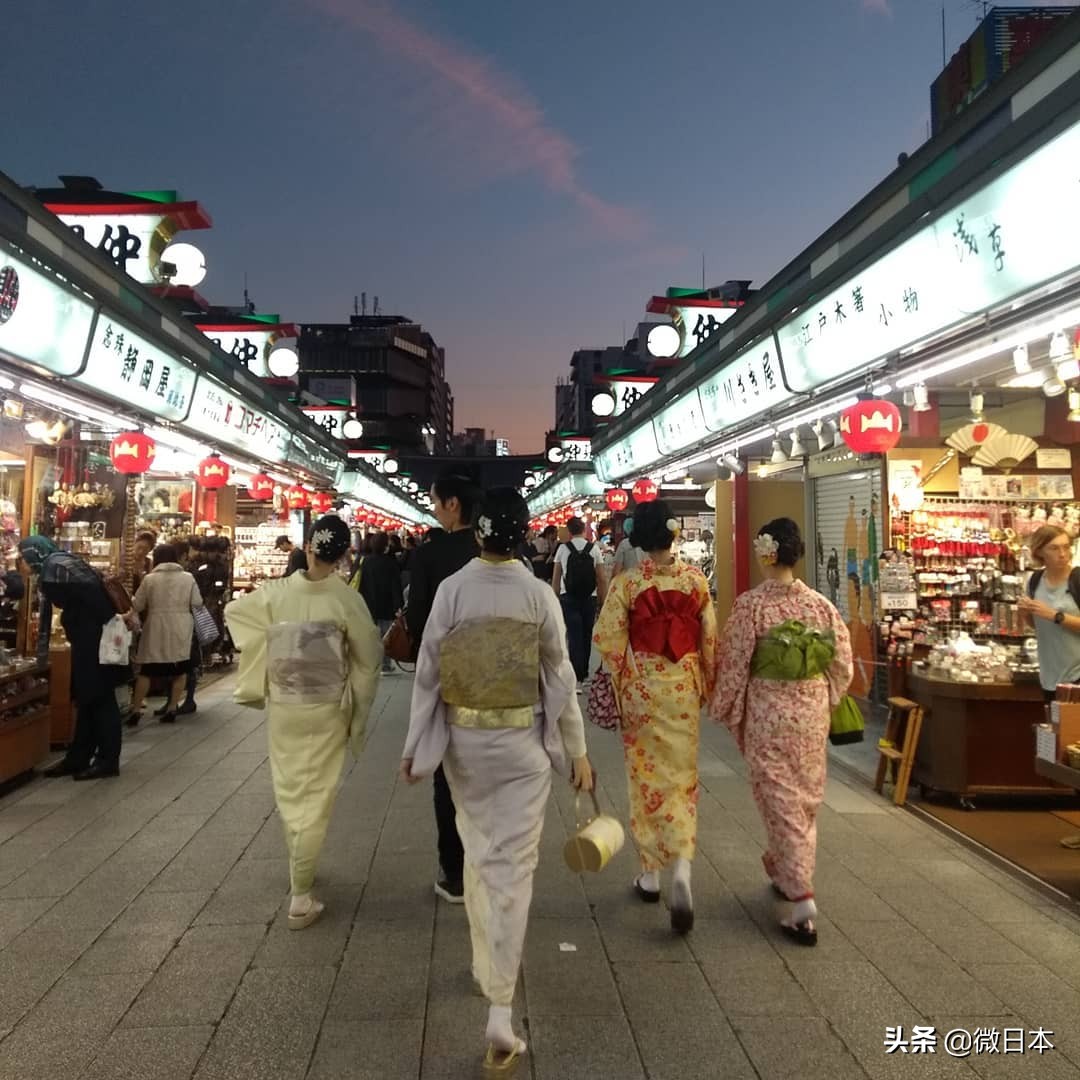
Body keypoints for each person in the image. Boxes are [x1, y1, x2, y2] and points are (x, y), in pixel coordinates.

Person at [401, 487, 593, 1074]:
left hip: (465, 746)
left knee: (479, 851)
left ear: (479, 533)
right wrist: (577, 751)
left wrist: (417, 746)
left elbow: (429, 672)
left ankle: (488, 966)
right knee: (513, 867)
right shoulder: (537, 594)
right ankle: (500, 1008)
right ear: (523, 535)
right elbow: (559, 676)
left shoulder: (452, 590)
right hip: (521, 745)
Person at [225, 515, 383, 930]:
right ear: (344, 554)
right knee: (317, 794)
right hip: (327, 706)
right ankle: (301, 892)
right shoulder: (347, 600)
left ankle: (302, 864)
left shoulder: (275, 593)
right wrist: (359, 713)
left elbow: (235, 612)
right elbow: (368, 661)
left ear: (309, 547)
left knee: (291, 788)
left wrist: (269, 650)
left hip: (285, 705)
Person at [711, 518, 852, 946]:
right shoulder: (820, 606)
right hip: (810, 711)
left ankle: (802, 898)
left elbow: (735, 663)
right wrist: (825, 698)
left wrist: (723, 706)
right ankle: (781, 866)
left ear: (766, 553)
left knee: (779, 799)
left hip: (768, 712)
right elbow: (842, 663)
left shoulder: (752, 606)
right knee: (803, 799)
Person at [592, 500, 718, 933]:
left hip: (643, 690)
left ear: (641, 538)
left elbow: (608, 639)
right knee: (682, 778)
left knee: (645, 778)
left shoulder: (628, 583)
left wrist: (623, 680)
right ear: (673, 533)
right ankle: (681, 867)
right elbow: (709, 639)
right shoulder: (695, 580)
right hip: (682, 688)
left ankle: (650, 874)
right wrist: (706, 682)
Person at [406, 471, 482, 904]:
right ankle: (487, 863)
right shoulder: (493, 553)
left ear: (453, 504)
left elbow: (418, 619)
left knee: (446, 774)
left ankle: (454, 873)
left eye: (435, 501)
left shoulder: (430, 555)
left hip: (447, 678)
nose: (434, 509)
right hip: (497, 682)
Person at [20, 537, 128, 781]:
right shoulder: (63, 562)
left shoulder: (52, 571)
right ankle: (78, 757)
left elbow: (90, 602)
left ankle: (107, 761)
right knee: (88, 700)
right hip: (94, 639)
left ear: (34, 554)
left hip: (94, 643)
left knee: (100, 700)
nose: (23, 565)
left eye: (24, 559)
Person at [127, 544, 203, 726]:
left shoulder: (150, 579)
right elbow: (197, 602)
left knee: (147, 670)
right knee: (179, 669)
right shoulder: (187, 578)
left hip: (155, 626)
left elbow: (138, 605)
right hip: (180, 626)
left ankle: (136, 710)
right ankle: (172, 708)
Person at [1019, 524, 1080, 700]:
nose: (1062, 554)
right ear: (1040, 552)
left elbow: (1051, 617)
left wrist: (1055, 615)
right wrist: (1025, 613)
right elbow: (1038, 625)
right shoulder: (1035, 581)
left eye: (1066, 547)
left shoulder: (1077, 579)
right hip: (1049, 677)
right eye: (1054, 548)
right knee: (1053, 719)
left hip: (1077, 676)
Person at [552, 516, 607, 687]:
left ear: (569, 531)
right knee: (586, 634)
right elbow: (601, 578)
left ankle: (576, 675)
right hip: (589, 597)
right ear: (584, 530)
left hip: (568, 597)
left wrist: (554, 600)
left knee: (574, 635)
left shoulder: (562, 549)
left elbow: (556, 577)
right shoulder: (594, 549)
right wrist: (603, 601)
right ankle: (583, 672)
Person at [358, 532, 404, 673]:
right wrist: (399, 605)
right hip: (386, 604)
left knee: (371, 635)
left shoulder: (366, 561)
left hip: (369, 603)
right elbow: (395, 586)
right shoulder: (390, 562)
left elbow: (362, 583)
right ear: (385, 546)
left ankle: (371, 663)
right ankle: (385, 665)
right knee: (385, 636)